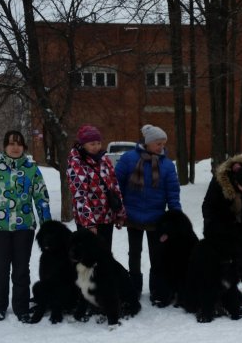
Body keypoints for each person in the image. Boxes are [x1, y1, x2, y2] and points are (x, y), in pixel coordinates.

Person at [0, 130, 51, 322]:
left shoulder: (32, 169)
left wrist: (47, 226)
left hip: (24, 228)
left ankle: (21, 307)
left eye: (18, 144)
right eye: (11, 144)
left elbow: (41, 198)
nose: (15, 147)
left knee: (21, 269)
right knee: (0, 269)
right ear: (5, 147)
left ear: (24, 147)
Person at [114, 124, 182, 304]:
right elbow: (117, 185)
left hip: (156, 219)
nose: (162, 147)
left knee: (157, 255)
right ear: (148, 143)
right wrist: (117, 210)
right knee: (134, 253)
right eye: (158, 143)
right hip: (132, 216)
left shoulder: (167, 165)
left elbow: (173, 193)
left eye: (163, 144)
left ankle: (157, 290)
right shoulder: (128, 159)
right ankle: (134, 287)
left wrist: (176, 217)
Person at [201, 155, 242, 312]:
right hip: (219, 229)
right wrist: (219, 229)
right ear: (235, 181)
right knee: (220, 262)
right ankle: (216, 295)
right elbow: (208, 207)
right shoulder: (220, 182)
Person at [66, 124, 126, 245]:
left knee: (104, 257)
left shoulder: (104, 159)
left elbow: (114, 186)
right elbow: (79, 195)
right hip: (88, 220)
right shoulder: (76, 163)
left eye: (98, 143)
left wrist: (120, 213)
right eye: (92, 144)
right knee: (90, 259)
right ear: (82, 144)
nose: (96, 147)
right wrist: (89, 223)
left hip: (106, 218)